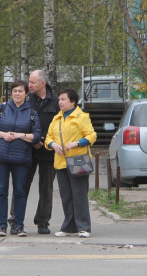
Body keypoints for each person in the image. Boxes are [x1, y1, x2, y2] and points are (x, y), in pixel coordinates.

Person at [0, 80, 41, 237]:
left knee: (20, 192)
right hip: (0, 156)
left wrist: (20, 135)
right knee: (2, 191)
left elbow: (36, 136)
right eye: (15, 91)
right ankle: (2, 226)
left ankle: (19, 226)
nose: (17, 94)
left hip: (21, 157)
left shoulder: (31, 112)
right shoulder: (1, 108)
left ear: (26, 94)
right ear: (11, 93)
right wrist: (4, 135)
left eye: (20, 91)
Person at [9, 70, 59, 234]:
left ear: (43, 84)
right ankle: (15, 220)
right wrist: (33, 140)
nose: (29, 85)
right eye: (29, 82)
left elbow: (60, 126)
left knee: (46, 188)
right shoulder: (26, 100)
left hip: (49, 151)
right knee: (21, 185)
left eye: (33, 82)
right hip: (27, 149)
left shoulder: (56, 101)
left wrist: (46, 140)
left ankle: (43, 221)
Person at [45, 88, 97, 238]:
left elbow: (91, 135)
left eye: (63, 99)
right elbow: (48, 137)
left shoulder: (81, 117)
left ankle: (84, 227)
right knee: (66, 196)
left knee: (79, 194)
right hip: (61, 161)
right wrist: (53, 144)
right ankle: (69, 226)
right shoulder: (57, 118)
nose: (60, 102)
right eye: (59, 99)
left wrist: (76, 143)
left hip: (77, 160)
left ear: (72, 102)